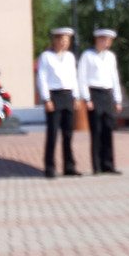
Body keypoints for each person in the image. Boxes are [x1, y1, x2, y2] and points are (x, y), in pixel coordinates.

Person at [36, 27, 82, 178]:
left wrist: (76, 96)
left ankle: (69, 167)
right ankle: (50, 167)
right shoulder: (46, 57)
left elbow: (73, 77)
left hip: (68, 95)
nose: (65, 43)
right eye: (62, 40)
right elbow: (42, 78)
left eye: (67, 41)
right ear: (55, 40)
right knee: (53, 134)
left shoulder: (70, 57)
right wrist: (46, 99)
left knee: (68, 134)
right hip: (54, 96)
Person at [79, 28, 123, 175]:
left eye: (109, 41)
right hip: (95, 94)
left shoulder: (110, 56)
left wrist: (118, 99)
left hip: (108, 94)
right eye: (104, 40)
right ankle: (96, 166)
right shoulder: (87, 55)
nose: (107, 43)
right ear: (97, 40)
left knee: (108, 130)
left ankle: (108, 165)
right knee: (96, 131)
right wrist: (86, 98)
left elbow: (114, 78)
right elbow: (82, 78)